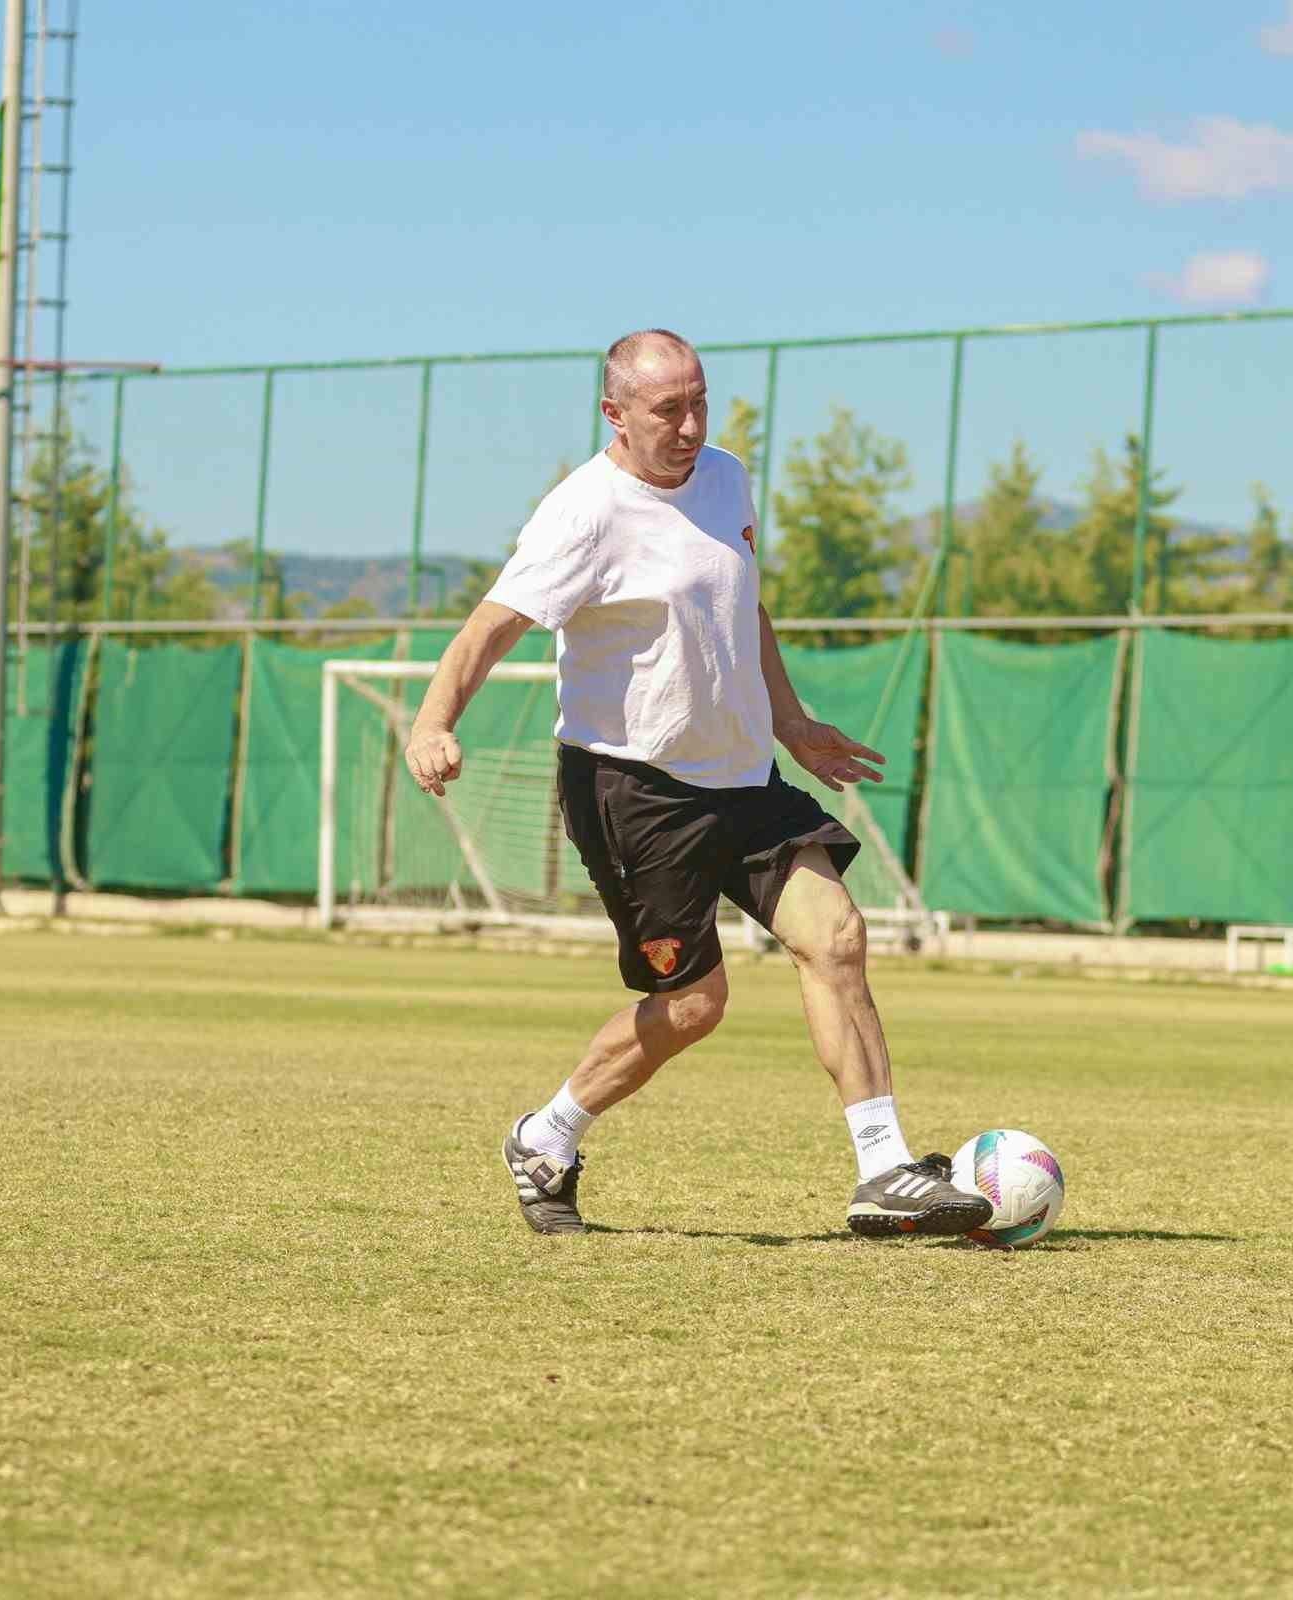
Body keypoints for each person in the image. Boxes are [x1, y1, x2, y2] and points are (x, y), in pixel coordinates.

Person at [402, 328, 992, 1242]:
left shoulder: (727, 477)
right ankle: (545, 1136)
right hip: (634, 791)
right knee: (691, 1008)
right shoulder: (583, 513)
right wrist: (435, 721)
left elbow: (744, 603)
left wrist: (791, 724)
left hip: (743, 776)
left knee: (837, 936)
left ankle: (884, 1168)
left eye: (698, 401)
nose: (688, 425)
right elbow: (490, 628)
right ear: (616, 415)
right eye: (666, 409)